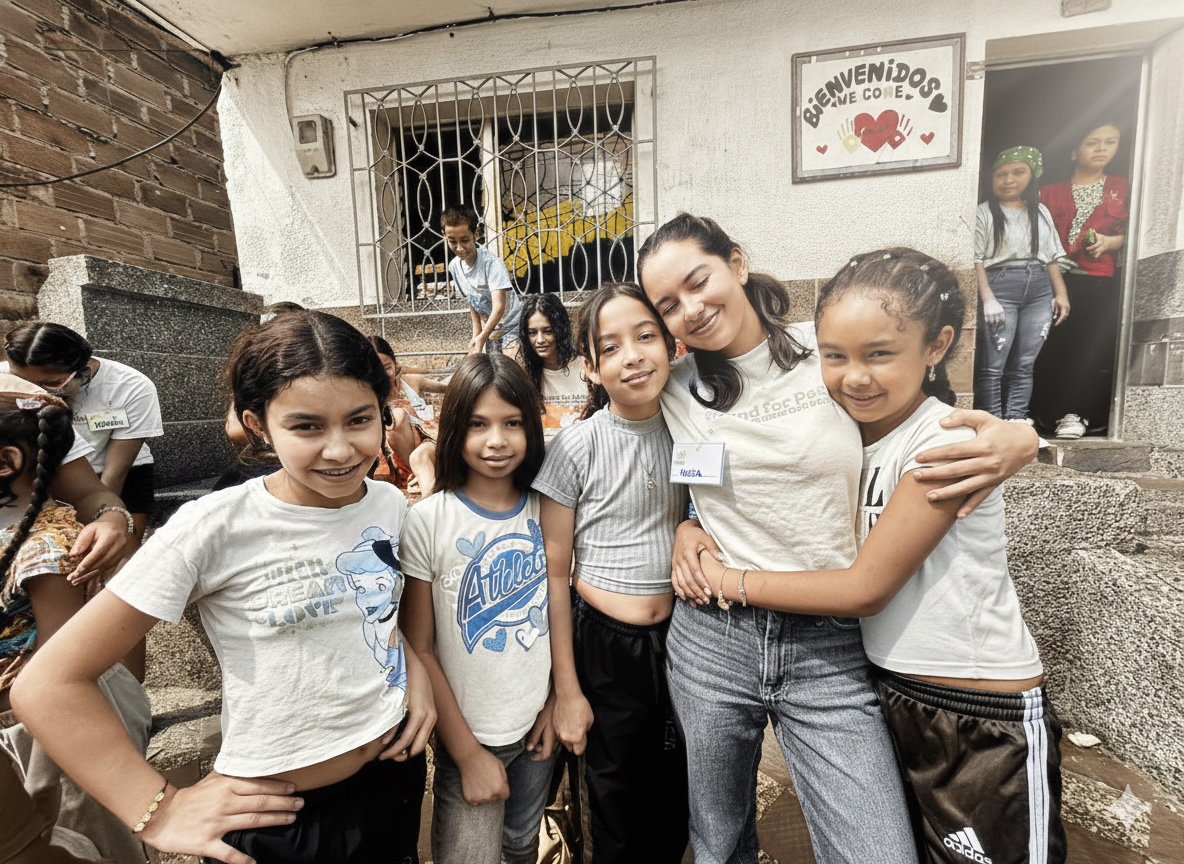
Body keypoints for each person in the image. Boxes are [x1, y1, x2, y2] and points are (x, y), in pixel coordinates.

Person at [635, 213, 1038, 864]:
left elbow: (920, 411)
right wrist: (688, 524)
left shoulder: (828, 350)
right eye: (667, 304)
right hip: (713, 637)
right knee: (716, 842)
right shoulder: (677, 385)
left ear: (735, 263)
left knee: (874, 852)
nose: (690, 308)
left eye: (698, 280)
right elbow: (643, 466)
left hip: (830, 645)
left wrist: (1022, 435)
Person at [12, 311, 436, 864]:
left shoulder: (383, 502)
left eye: (359, 420)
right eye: (307, 426)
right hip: (280, 819)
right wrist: (157, 809)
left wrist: (413, 674)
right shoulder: (214, 525)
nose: (340, 450)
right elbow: (47, 684)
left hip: (391, 778)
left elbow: (370, 609)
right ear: (258, 423)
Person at [533, 283, 689, 862]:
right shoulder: (577, 446)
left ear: (672, 346)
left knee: (679, 783)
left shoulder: (691, 428)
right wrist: (567, 691)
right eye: (612, 346)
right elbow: (554, 574)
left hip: (685, 639)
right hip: (604, 645)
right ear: (590, 367)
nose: (633, 355)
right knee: (615, 797)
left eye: (646, 336)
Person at [399, 353, 555, 864]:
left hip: (536, 731)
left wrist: (554, 704)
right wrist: (466, 754)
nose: (496, 441)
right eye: (478, 424)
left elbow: (557, 616)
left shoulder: (548, 508)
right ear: (453, 432)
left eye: (512, 423)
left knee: (520, 847)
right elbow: (419, 646)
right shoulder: (428, 521)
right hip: (468, 736)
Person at [0, 379, 151, 864]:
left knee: (84, 836)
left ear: (7, 463)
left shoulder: (44, 547)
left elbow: (57, 661)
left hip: (53, 719)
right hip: (25, 715)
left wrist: (112, 517)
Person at [3, 322, 163, 541]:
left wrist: (101, 517)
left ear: (83, 370)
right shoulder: (5, 383)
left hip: (116, 473)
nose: (36, 392)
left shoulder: (131, 386)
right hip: (53, 473)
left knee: (117, 549)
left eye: (50, 383)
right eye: (23, 381)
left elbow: (116, 472)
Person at [1034, 121, 1129, 438]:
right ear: (1075, 150)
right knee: (1049, 345)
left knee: (1088, 348)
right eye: (1092, 142)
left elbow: (1137, 231)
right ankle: (1043, 414)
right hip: (1051, 278)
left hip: (1097, 278)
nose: (1102, 148)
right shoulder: (1049, 192)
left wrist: (1110, 242)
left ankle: (1078, 414)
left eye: (1110, 142)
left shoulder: (1122, 187)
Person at [972, 146, 1071, 423]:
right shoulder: (984, 212)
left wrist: (1060, 293)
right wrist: (988, 298)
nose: (1008, 180)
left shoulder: (1039, 211)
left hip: (1039, 288)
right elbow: (976, 259)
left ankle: (1015, 420)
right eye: (1001, 174)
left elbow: (1051, 257)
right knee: (994, 365)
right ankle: (991, 421)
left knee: (1024, 364)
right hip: (1000, 284)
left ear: (1032, 176)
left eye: (1018, 172)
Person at [443, 207, 523, 357]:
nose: (459, 248)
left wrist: (482, 337)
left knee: (509, 363)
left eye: (465, 240)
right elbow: (471, 301)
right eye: (452, 241)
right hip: (490, 330)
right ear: (444, 236)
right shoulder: (454, 266)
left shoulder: (492, 264)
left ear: (476, 234)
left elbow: (499, 307)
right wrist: (476, 335)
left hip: (513, 326)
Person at [366, 335, 443, 494]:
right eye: (375, 368)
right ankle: (421, 480)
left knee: (422, 455)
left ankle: (425, 482)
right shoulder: (366, 395)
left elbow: (450, 388)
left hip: (429, 442)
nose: (382, 374)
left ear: (395, 364)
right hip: (401, 456)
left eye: (387, 367)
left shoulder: (412, 381)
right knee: (397, 417)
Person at [517, 294, 586, 442]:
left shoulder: (586, 368)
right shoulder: (524, 378)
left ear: (560, 330)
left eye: (547, 331)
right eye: (532, 333)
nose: (540, 340)